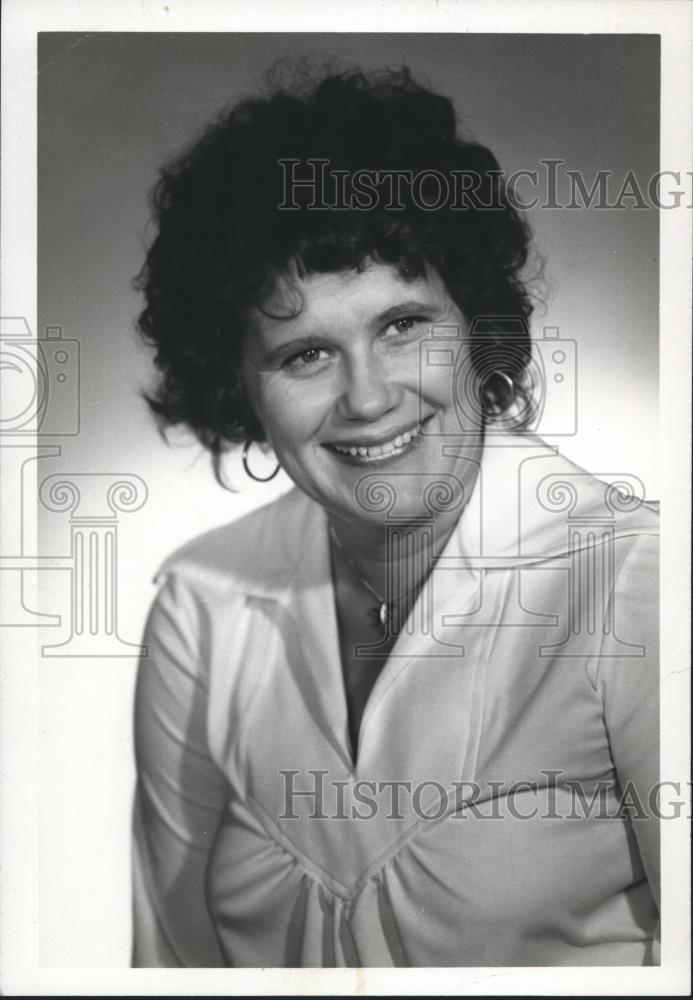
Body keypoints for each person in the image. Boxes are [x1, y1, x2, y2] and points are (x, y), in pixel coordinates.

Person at [131, 66, 659, 967]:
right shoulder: (201, 602)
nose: (368, 398)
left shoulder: (637, 584)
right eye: (304, 354)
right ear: (239, 387)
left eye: (403, 326)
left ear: (476, 330)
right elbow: (167, 969)